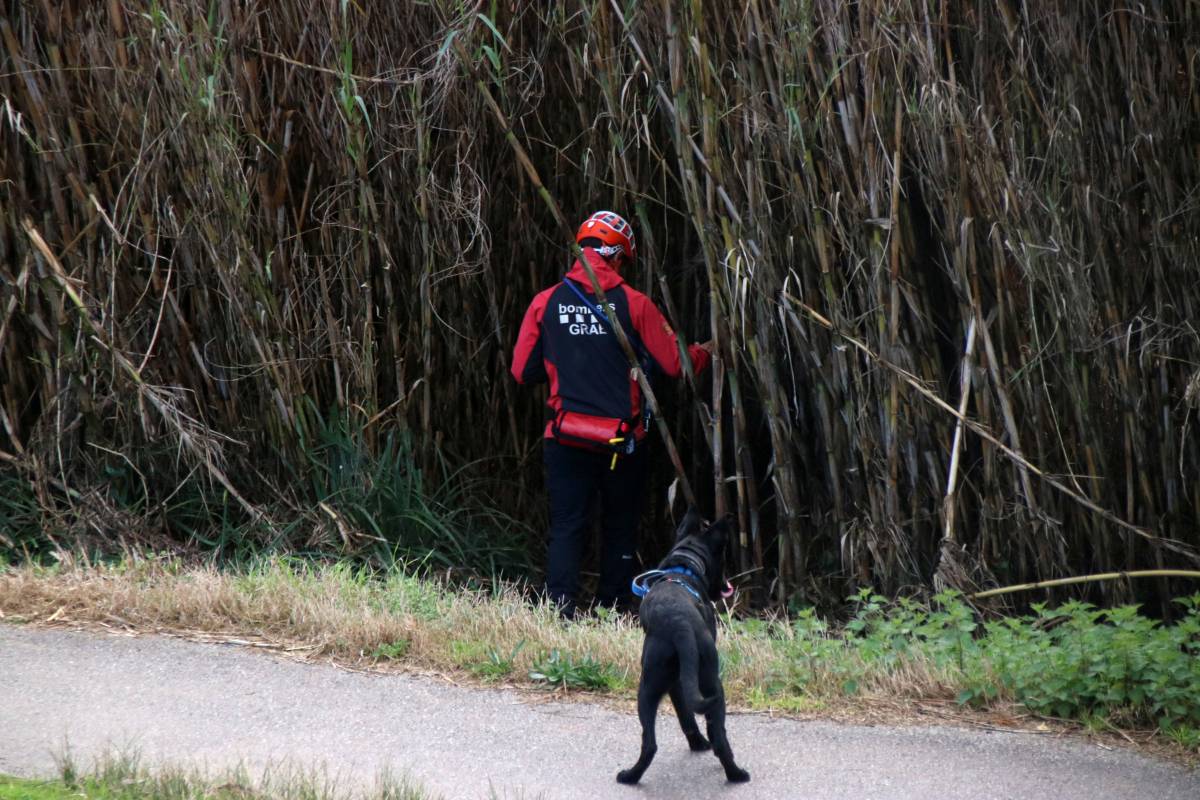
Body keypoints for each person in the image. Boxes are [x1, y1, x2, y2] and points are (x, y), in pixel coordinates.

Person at [510, 210, 712, 618]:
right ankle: (611, 607)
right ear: (618, 256)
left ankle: (560, 608)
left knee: (567, 525)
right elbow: (676, 365)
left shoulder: (546, 302)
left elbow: (522, 371)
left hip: (566, 438)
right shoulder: (635, 304)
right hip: (623, 443)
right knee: (619, 525)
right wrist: (705, 352)